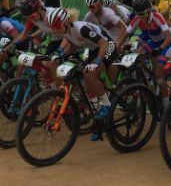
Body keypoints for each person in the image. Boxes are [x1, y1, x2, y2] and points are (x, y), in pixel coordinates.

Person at [47, 7, 118, 140]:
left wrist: (97, 62)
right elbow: (75, 44)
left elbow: (103, 43)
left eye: (57, 25)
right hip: (94, 48)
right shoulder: (66, 31)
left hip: (108, 46)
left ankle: (106, 104)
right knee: (86, 83)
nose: (55, 29)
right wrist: (61, 55)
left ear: (66, 22)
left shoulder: (81, 28)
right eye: (53, 27)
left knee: (89, 74)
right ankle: (99, 122)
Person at [124, 0, 171, 108]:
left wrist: (159, 49)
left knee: (158, 74)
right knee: (137, 53)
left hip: (165, 43)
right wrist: (118, 46)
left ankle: (166, 106)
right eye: (138, 14)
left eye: (142, 14)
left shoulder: (157, 17)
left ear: (149, 10)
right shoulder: (137, 17)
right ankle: (147, 80)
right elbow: (126, 34)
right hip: (153, 41)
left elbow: (169, 38)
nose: (140, 17)